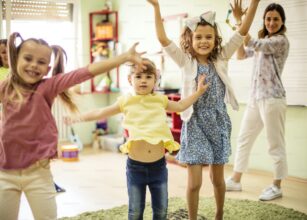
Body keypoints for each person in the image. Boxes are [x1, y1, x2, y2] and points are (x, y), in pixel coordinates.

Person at [0, 32, 146, 220]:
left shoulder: (48, 86)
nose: (34, 65)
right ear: (15, 60)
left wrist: (124, 57)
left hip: (38, 174)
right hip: (5, 173)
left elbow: (85, 72)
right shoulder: (6, 87)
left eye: (41, 62)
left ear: (47, 69)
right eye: (28, 58)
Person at [147, 0, 260, 219]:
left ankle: (219, 214)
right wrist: (156, 8)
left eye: (208, 37)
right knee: (194, 183)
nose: (204, 41)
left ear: (215, 40)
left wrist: (255, 2)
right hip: (195, 123)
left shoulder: (222, 57)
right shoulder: (185, 61)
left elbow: (243, 30)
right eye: (198, 37)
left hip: (218, 124)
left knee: (217, 180)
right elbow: (162, 39)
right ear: (190, 40)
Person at [64, 58, 209, 220]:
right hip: (135, 168)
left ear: (155, 80)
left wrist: (198, 92)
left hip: (158, 168)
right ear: (130, 79)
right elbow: (100, 112)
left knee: (160, 211)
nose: (143, 81)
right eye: (139, 76)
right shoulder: (126, 101)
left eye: (148, 77)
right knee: (135, 212)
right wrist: (77, 117)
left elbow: (181, 106)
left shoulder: (160, 100)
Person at [226, 3, 289, 201]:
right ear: (264, 20)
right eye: (268, 18)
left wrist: (239, 21)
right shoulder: (264, 40)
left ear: (282, 22)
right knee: (244, 138)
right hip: (255, 98)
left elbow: (252, 43)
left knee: (275, 144)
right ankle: (235, 180)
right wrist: (239, 33)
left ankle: (277, 186)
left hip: (272, 99)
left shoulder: (280, 41)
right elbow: (242, 54)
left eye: (275, 19)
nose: (271, 22)